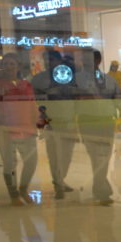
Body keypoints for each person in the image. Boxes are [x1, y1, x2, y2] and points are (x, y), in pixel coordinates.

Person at [0, 53, 38, 205]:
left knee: (31, 162)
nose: (8, 67)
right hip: (6, 130)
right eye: (5, 64)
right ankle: (13, 194)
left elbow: (32, 105)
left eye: (12, 64)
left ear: (18, 66)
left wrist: (37, 123)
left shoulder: (26, 84)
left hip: (27, 129)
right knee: (10, 163)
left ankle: (23, 189)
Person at [76, 50, 121, 205]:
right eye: (83, 59)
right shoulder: (77, 81)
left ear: (98, 60)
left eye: (89, 59)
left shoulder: (109, 81)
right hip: (87, 122)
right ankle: (101, 188)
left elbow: (120, 100)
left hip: (106, 122)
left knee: (104, 155)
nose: (85, 62)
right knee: (95, 155)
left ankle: (99, 186)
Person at [31, 50, 79, 199]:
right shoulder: (38, 79)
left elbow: (76, 100)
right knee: (54, 154)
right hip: (50, 122)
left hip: (68, 121)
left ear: (59, 61)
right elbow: (36, 103)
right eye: (46, 60)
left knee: (67, 154)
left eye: (51, 59)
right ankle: (58, 183)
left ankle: (60, 179)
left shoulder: (69, 76)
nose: (49, 63)